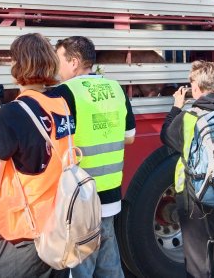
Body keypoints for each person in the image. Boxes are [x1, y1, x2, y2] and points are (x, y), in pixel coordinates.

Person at [0, 33, 73, 278]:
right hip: (57, 225)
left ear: (17, 65)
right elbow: (35, 126)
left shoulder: (12, 114)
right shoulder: (61, 104)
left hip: (20, 232)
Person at [53, 36, 135, 278]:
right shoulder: (116, 88)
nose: (56, 69)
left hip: (81, 198)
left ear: (75, 62)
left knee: (81, 268)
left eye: (59, 61)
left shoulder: (63, 93)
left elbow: (52, 140)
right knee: (109, 263)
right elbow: (129, 137)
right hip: (110, 194)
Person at [161, 60, 214, 277]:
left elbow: (167, 136)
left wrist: (176, 107)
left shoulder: (189, 118)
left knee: (199, 258)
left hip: (196, 195)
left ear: (195, 88)